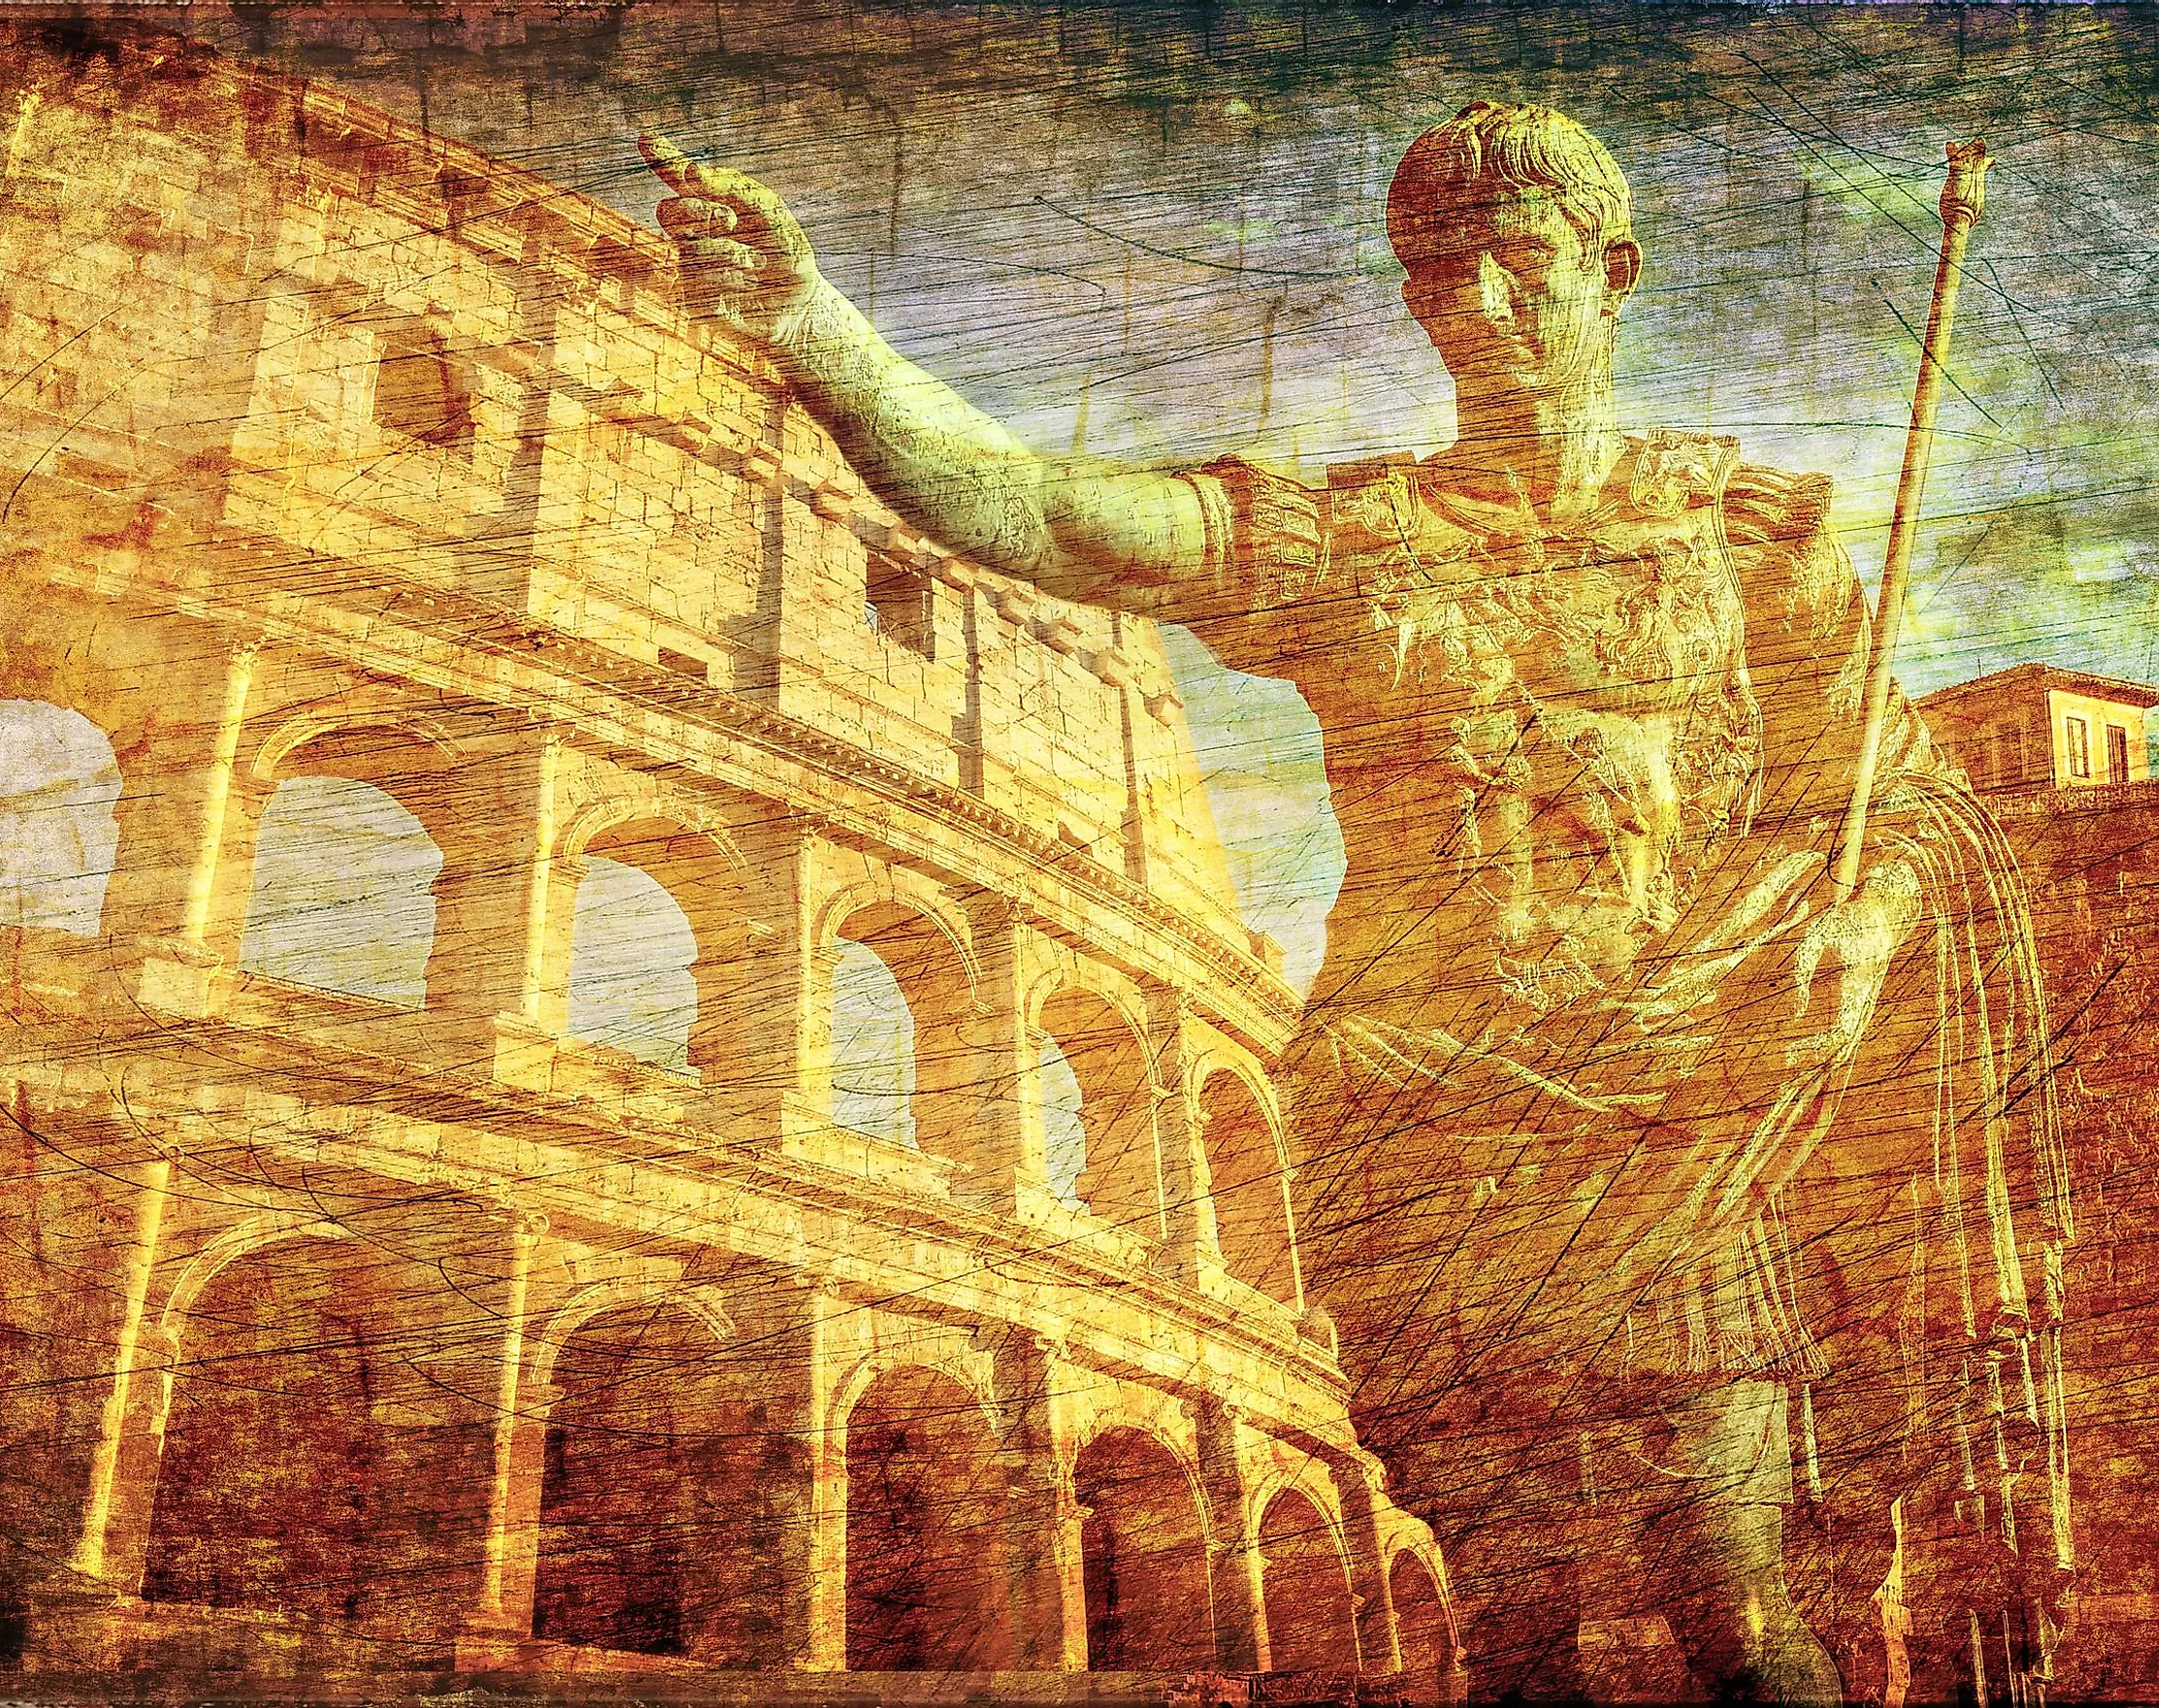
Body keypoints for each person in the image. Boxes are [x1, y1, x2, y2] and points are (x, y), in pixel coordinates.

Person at [643, 102, 2067, 1703]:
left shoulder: (1746, 537)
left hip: (1677, 1105)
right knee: (1511, 1631)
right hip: (1429, 1110)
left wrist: (1859, 930)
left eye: (1519, 270)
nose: (1478, 312)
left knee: (1736, 1606)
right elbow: (1035, 511)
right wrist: (814, 329)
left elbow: (1882, 786)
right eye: (1438, 280)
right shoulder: (1346, 541)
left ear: (1613, 274)